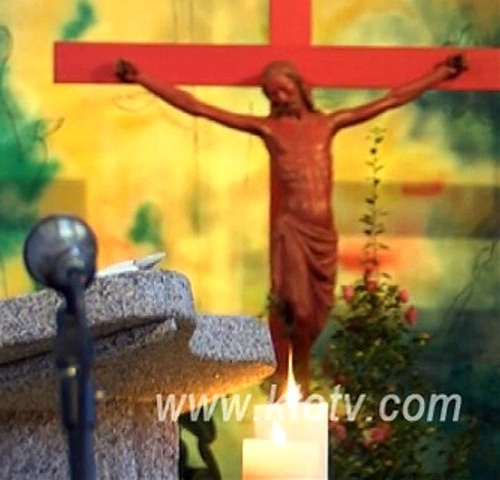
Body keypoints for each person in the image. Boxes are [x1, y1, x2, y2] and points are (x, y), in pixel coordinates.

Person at [115, 54, 466, 393]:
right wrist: (143, 79)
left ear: (299, 88)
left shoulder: (326, 125)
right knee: (296, 306)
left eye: (283, 89)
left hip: (323, 233)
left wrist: (439, 75)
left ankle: (299, 371)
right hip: (293, 229)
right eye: (271, 94)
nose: (278, 97)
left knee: (316, 309)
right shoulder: (270, 129)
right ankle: (293, 373)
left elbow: (389, 101)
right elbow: (200, 109)